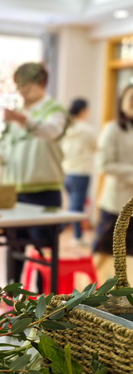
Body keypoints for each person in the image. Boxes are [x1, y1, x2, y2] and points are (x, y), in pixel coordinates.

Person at [0, 62, 68, 289]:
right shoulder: (20, 114)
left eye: (26, 88)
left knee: (43, 256)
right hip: (14, 195)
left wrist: (21, 119)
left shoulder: (54, 110)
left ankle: (44, 306)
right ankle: (10, 300)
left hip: (43, 194)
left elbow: (50, 132)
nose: (22, 93)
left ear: (42, 84)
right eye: (19, 88)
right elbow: (7, 148)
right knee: (14, 252)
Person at [93, 84, 133, 262]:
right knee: (104, 252)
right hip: (116, 202)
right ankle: (93, 289)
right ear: (122, 102)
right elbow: (104, 164)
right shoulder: (113, 128)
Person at [61, 98, 97, 245]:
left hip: (66, 173)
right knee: (75, 209)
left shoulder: (67, 128)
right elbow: (96, 147)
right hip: (81, 173)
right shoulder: (86, 129)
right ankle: (60, 232)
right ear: (83, 111)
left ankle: (78, 236)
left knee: (75, 207)